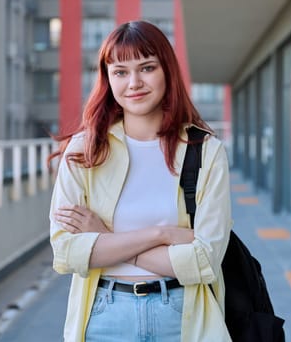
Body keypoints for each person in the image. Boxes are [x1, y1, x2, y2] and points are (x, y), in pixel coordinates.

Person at [49, 20, 233, 341]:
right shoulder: (84, 151)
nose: (134, 82)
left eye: (146, 68)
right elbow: (66, 252)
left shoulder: (205, 152)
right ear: (108, 79)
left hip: (181, 314)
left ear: (167, 71)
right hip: (104, 315)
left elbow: (204, 261)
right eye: (120, 71)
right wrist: (161, 235)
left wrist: (105, 237)